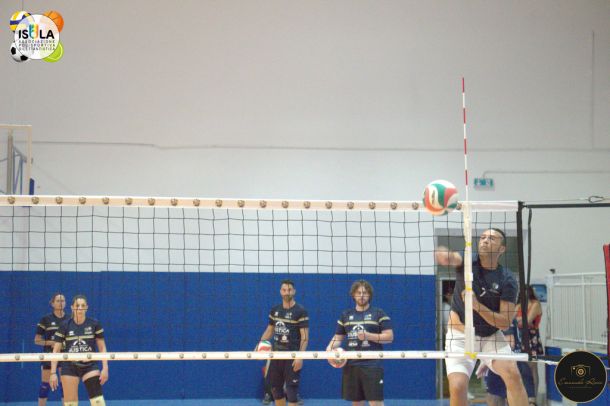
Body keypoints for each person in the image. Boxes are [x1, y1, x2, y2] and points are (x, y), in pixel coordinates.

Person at [435, 228, 528, 406]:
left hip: (490, 336)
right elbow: (455, 258)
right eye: (483, 237)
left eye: (491, 238)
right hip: (460, 335)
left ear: (502, 249)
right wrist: (446, 255)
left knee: (513, 375)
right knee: (457, 387)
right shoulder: (467, 261)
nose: (485, 240)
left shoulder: (507, 279)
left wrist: (477, 306)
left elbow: (504, 322)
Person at [326, 280, 394, 406]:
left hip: (372, 365)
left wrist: (368, 336)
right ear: (353, 294)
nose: (362, 295)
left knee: (375, 402)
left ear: (370, 295)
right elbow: (337, 338)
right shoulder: (346, 315)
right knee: (357, 402)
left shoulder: (378, 313)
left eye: (365, 292)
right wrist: (328, 350)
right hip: (351, 364)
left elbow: (389, 337)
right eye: (358, 293)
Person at [49, 294, 109, 406]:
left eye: (82, 305)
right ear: (72, 307)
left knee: (98, 403)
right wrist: (53, 373)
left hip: (89, 365)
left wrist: (105, 368)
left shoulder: (94, 324)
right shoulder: (64, 325)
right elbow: (56, 351)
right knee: (70, 404)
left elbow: (102, 347)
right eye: (77, 305)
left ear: (87, 307)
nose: (80, 308)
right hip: (69, 367)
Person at [258, 280, 309, 406]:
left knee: (291, 393)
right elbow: (269, 330)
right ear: (280, 291)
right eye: (284, 290)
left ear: (294, 291)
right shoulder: (275, 310)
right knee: (276, 392)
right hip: (276, 356)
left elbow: (305, 337)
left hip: (292, 356)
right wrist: (259, 345)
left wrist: (300, 357)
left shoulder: (300, 311)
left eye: (289, 290)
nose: (287, 292)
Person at [478, 319, 537, 406]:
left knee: (496, 399)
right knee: (495, 398)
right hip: (508, 362)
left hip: (508, 363)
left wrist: (487, 357)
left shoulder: (503, 318)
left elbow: (510, 343)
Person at [34, 293, 68, 406]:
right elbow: (37, 340)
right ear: (52, 303)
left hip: (65, 355)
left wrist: (63, 343)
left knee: (65, 386)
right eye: (58, 301)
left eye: (62, 300)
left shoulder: (70, 319)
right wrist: (52, 343)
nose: (60, 303)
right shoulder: (46, 319)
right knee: (45, 386)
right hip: (49, 355)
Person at [515, 286, 543, 398]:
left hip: (532, 338)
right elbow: (511, 319)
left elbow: (526, 321)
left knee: (532, 368)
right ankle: (524, 396)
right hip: (520, 338)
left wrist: (518, 320)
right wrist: (519, 320)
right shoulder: (519, 305)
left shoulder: (535, 304)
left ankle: (533, 397)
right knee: (522, 368)